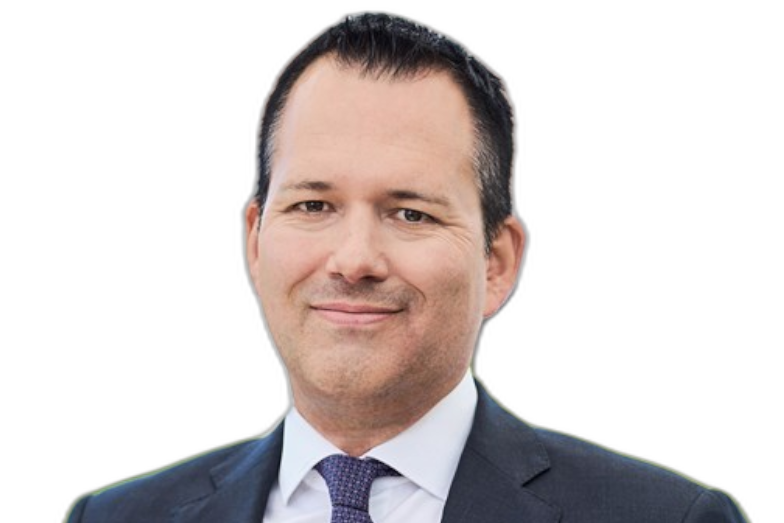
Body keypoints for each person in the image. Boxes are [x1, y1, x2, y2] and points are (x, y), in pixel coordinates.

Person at [63, 10, 749, 523]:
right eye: (313, 204)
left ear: (497, 261)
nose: (355, 259)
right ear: (255, 240)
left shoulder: (667, 517)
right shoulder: (116, 518)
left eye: (410, 213)